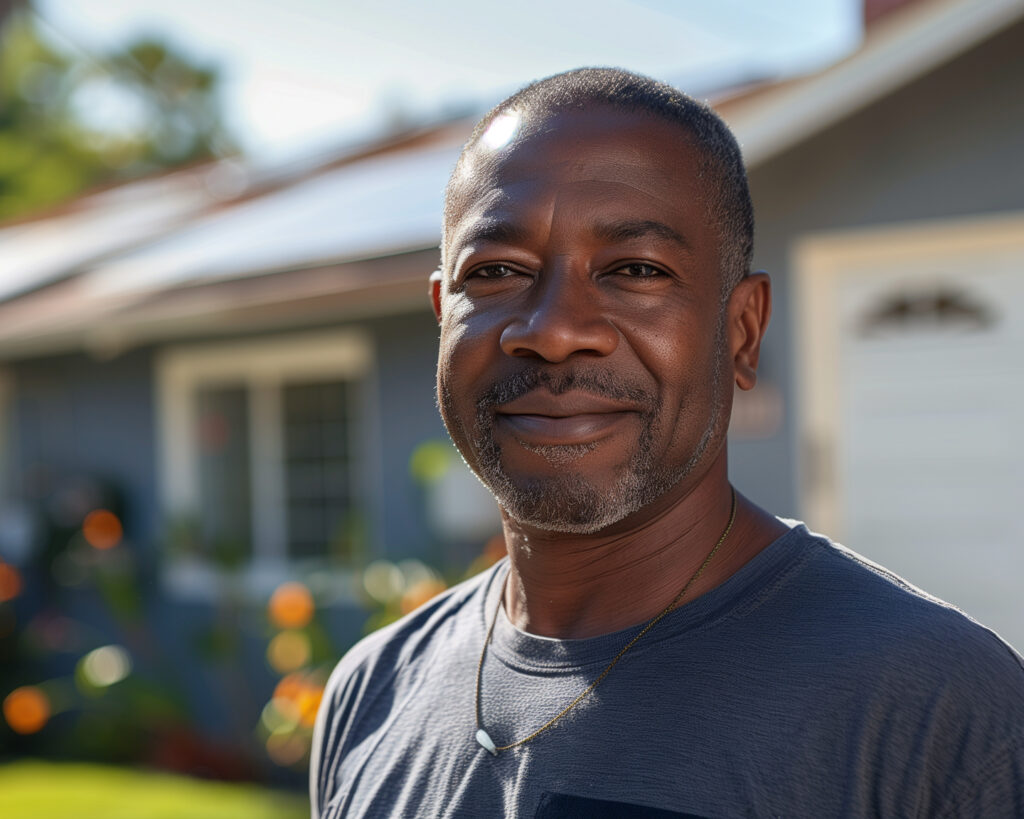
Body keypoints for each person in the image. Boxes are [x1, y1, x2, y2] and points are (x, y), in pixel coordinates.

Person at [311, 68, 1024, 817]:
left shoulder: (935, 712)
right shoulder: (372, 690)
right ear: (441, 315)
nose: (554, 331)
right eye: (496, 272)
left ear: (742, 331)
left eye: (635, 270)